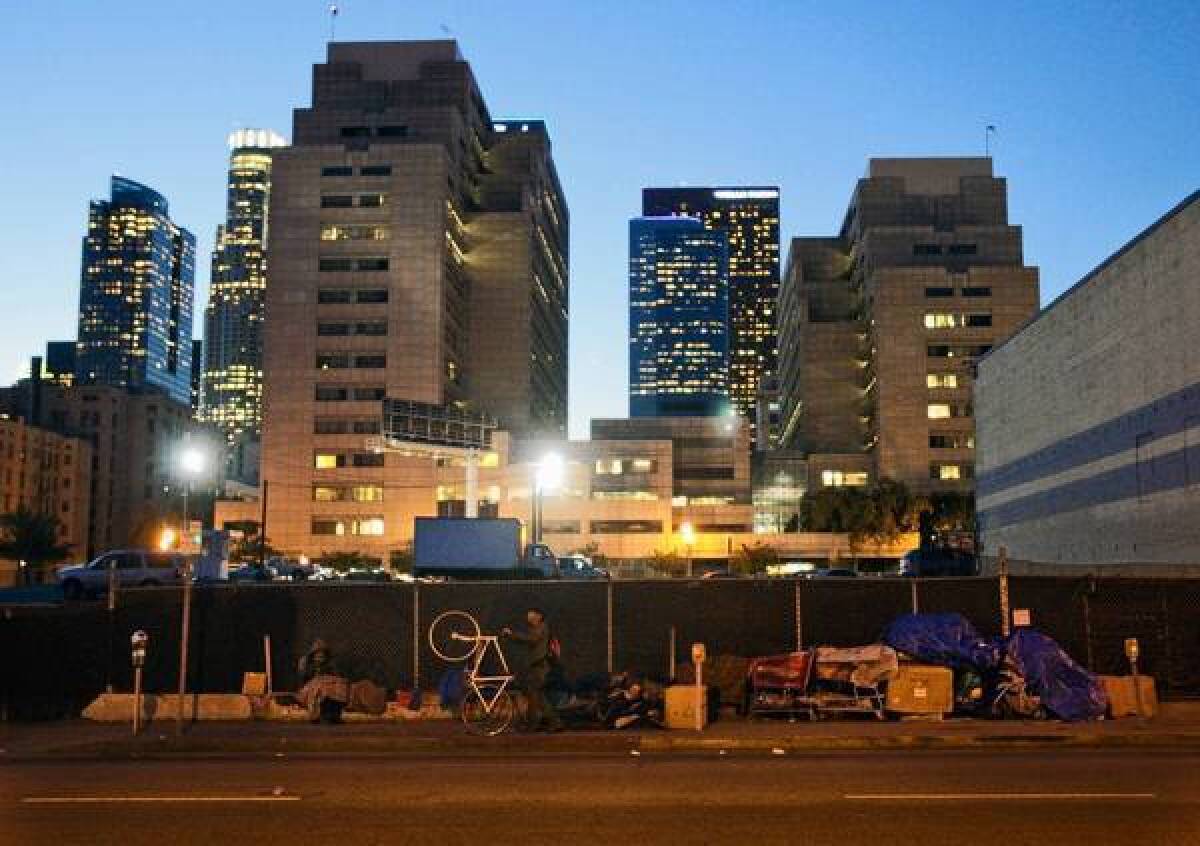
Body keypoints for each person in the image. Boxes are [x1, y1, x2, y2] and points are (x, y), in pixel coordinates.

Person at [502, 608, 563, 732]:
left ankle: (543, 723)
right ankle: (548, 723)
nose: (528, 616)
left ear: (539, 616)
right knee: (536, 696)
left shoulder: (541, 628)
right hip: (536, 667)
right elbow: (528, 639)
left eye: (531, 614)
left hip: (539, 668)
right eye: (528, 614)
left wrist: (511, 634)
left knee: (535, 696)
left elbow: (531, 639)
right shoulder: (537, 628)